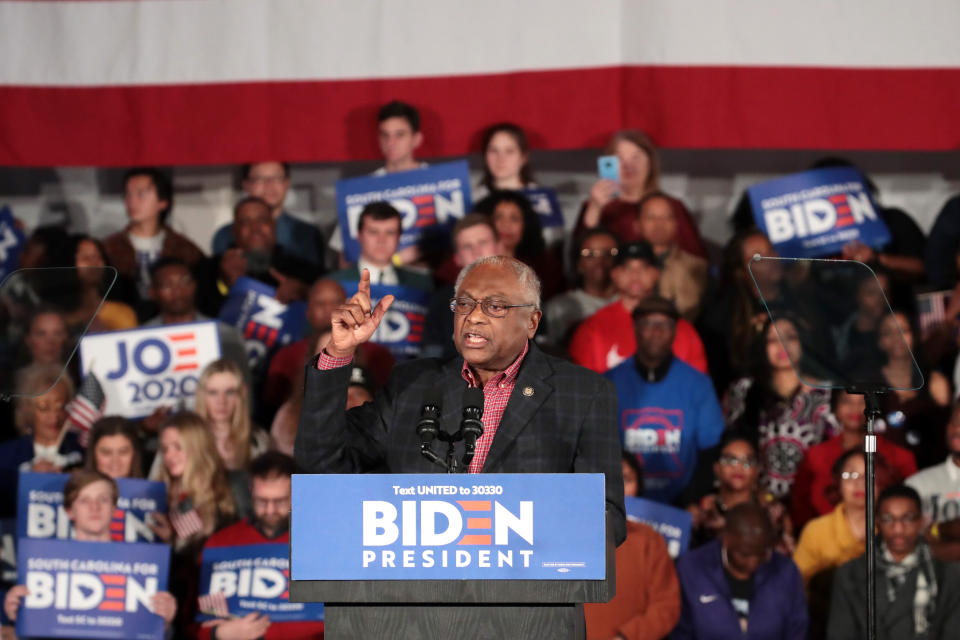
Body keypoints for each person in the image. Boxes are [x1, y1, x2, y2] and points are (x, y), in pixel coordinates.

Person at [295, 257, 626, 632]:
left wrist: (496, 535)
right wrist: (339, 355)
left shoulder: (582, 393)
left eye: (495, 306)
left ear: (532, 322)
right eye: (465, 304)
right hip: (405, 620)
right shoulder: (412, 384)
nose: (474, 317)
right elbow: (321, 464)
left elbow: (606, 516)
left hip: (528, 620)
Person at [3, 470, 177, 631]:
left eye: (103, 499)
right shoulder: (43, 565)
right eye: (84, 500)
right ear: (69, 511)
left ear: (114, 509)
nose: (95, 507)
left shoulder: (143, 566)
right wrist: (17, 616)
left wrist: (164, 624)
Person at [604, 296, 723, 503]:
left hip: (683, 506)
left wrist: (692, 502)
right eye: (648, 323)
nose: (656, 331)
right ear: (635, 328)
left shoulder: (698, 385)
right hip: (621, 505)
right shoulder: (608, 383)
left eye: (664, 324)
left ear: (676, 330)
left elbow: (710, 452)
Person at [196, 452, 324, 640]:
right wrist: (219, 634)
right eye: (262, 501)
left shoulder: (323, 544)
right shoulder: (220, 544)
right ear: (250, 491)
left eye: (280, 501)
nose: (270, 510)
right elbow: (198, 624)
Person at [827, 484, 960, 640]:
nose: (898, 528)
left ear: (921, 521)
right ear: (877, 522)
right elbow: (841, 634)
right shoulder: (850, 574)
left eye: (907, 518)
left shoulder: (949, 575)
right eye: (888, 519)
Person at [724, 316, 831, 498]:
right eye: (773, 340)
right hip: (757, 500)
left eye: (791, 337)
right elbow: (730, 446)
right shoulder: (744, 390)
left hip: (816, 499)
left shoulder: (828, 395)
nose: (783, 345)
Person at [671, 502, 807, 639]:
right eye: (744, 555)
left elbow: (797, 630)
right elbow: (680, 631)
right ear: (725, 539)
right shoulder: (691, 568)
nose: (753, 562)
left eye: (762, 554)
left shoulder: (786, 571)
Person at [569, 241, 708, 375]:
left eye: (643, 267)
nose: (635, 275)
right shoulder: (592, 329)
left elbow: (697, 387)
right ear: (615, 274)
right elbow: (581, 388)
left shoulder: (681, 330)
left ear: (656, 274)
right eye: (627, 268)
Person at [584, 455, 680, 640]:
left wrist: (627, 637)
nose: (615, 492)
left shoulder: (649, 541)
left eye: (625, 481)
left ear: (639, 487)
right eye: (606, 481)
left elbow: (667, 606)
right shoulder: (561, 538)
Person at [792, 389, 916, 531]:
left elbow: (911, 508)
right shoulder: (815, 455)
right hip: (826, 542)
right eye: (847, 401)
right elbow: (799, 509)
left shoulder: (900, 457)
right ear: (835, 408)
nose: (855, 409)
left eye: (863, 402)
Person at [263, 278, 395, 409]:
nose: (329, 309)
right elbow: (272, 407)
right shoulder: (286, 357)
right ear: (308, 312)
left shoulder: (379, 354)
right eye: (320, 303)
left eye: (336, 302)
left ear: (349, 306)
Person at [575, 129, 706, 258]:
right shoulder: (595, 206)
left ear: (650, 164)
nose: (628, 165)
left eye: (636, 157)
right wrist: (595, 208)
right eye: (619, 158)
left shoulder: (672, 206)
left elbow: (695, 259)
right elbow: (581, 260)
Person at [327, 100, 429, 264]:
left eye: (399, 135)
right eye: (385, 135)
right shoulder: (361, 190)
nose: (391, 143)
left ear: (416, 139)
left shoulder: (442, 183)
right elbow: (344, 252)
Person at [102, 167, 204, 310]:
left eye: (141, 194)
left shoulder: (184, 248)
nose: (132, 201)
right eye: (127, 194)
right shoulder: (110, 247)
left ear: (162, 202)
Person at [697, 227, 782, 393]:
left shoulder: (802, 298)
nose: (771, 259)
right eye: (758, 257)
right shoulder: (721, 318)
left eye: (771, 250)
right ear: (740, 271)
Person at [683, 431, 795, 554]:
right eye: (730, 460)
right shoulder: (702, 512)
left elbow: (785, 563)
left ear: (756, 471)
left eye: (747, 462)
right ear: (717, 468)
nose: (739, 467)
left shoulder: (773, 513)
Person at [145, 257, 251, 385]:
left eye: (184, 282)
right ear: (152, 293)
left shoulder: (225, 334)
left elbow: (242, 387)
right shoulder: (140, 339)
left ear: (194, 286)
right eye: (167, 285)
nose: (178, 291)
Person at [0, 365, 82, 516]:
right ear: (28, 410)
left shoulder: (82, 451)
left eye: (60, 407)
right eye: (44, 408)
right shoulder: (5, 456)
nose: (54, 417)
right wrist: (28, 480)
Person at [213, 196, 320, 308]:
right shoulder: (214, 268)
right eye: (245, 222)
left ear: (274, 226)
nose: (255, 228)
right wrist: (225, 283)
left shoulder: (304, 270)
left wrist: (305, 293)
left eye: (262, 220)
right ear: (234, 231)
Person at [211, 162, 325, 267]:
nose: (269, 185)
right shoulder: (225, 235)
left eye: (276, 178)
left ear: (287, 183)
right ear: (246, 185)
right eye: (260, 179)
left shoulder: (307, 234)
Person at [793, 449, 880, 586]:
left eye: (869, 475)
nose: (860, 484)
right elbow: (797, 587)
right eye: (851, 475)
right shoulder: (816, 531)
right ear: (838, 483)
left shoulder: (893, 528)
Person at [423, 213, 504, 359]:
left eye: (483, 243)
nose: (477, 252)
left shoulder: (525, 296)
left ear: (499, 248)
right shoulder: (441, 302)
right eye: (467, 246)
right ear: (457, 258)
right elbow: (430, 364)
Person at [877, 310, 951, 469]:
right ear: (880, 341)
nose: (897, 338)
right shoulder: (871, 384)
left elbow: (945, 437)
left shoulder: (935, 382)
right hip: (883, 472)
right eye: (889, 332)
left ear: (915, 335)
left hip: (929, 471)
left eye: (903, 330)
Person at [475, 190, 565, 300]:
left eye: (514, 219)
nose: (506, 225)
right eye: (498, 217)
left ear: (526, 226)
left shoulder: (544, 267)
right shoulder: (469, 260)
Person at [329, 201, 433, 291]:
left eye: (390, 232)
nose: (381, 240)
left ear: (399, 236)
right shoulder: (333, 285)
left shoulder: (422, 284)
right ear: (359, 236)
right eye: (373, 232)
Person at [543, 228, 618, 349]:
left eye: (608, 253)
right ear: (578, 263)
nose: (599, 261)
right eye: (589, 254)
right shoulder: (558, 307)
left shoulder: (630, 304)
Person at [637, 192, 707, 321]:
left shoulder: (697, 267)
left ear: (676, 224)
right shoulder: (622, 265)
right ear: (637, 224)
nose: (659, 224)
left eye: (666, 217)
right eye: (651, 217)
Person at [193, 358, 269, 471]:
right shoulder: (183, 437)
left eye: (230, 392)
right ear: (202, 396)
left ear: (241, 394)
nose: (221, 401)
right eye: (213, 392)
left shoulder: (258, 439)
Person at [906, 404, 960, 562]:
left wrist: (937, 530)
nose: (957, 429)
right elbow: (904, 545)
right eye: (955, 422)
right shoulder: (917, 485)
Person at [68, 235, 138, 331]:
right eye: (86, 258)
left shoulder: (122, 314)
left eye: (98, 257)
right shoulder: (59, 316)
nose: (94, 263)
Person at [475, 122, 536, 200]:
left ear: (523, 157)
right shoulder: (473, 199)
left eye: (509, 151)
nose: (500, 159)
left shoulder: (541, 200)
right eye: (493, 150)